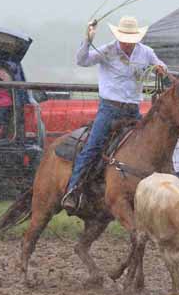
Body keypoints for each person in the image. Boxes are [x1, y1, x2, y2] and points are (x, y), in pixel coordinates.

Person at [61, 16, 167, 213]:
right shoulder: (107, 50)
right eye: (125, 37)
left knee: (146, 146)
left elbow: (161, 66)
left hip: (133, 109)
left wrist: (161, 69)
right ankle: (73, 189)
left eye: (131, 38)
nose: (128, 42)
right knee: (92, 146)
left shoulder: (146, 52)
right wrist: (88, 40)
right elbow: (82, 60)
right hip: (109, 108)